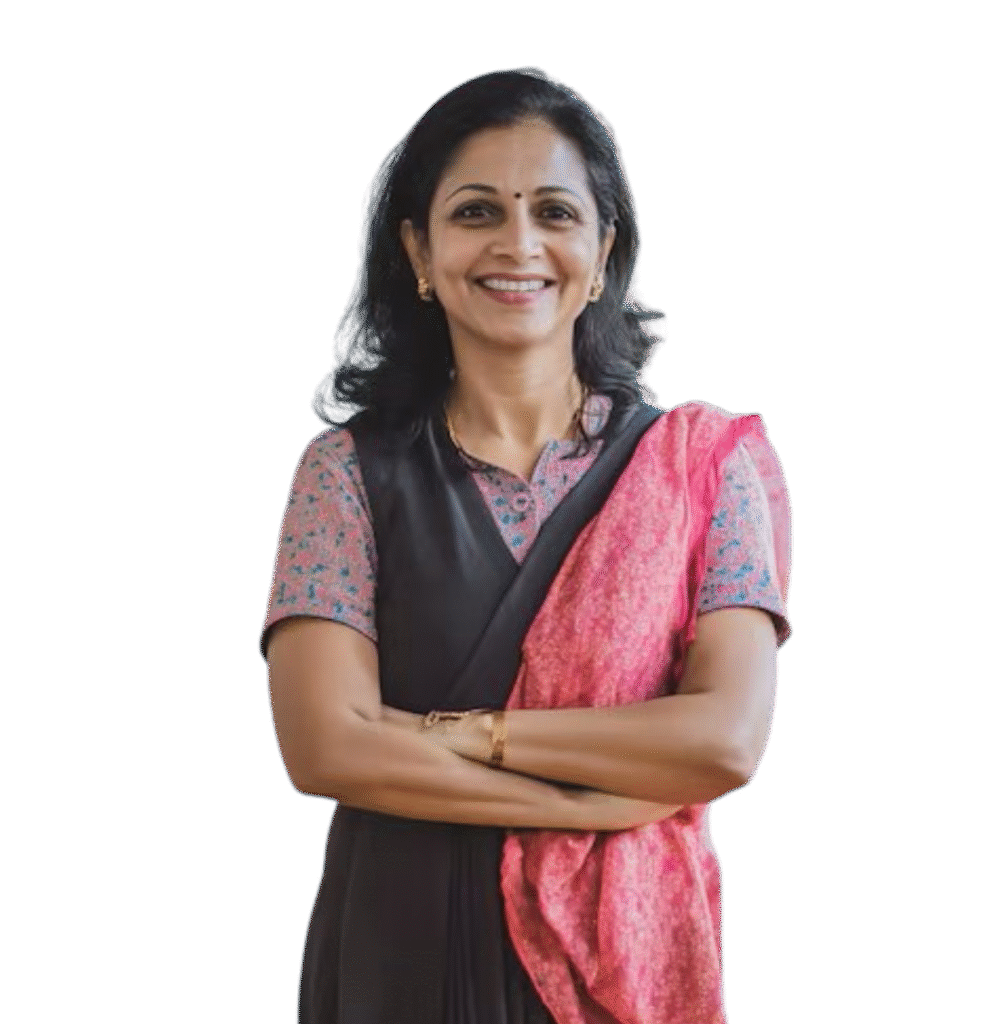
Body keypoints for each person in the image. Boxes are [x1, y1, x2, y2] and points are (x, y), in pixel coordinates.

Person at [259, 66, 792, 1024]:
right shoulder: (344, 473)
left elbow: (722, 740)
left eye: (554, 212)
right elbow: (326, 746)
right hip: (398, 953)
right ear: (418, 252)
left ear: (602, 252)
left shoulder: (703, 470)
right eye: (476, 212)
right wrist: (587, 803)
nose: (518, 244)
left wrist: (461, 734)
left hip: (618, 968)